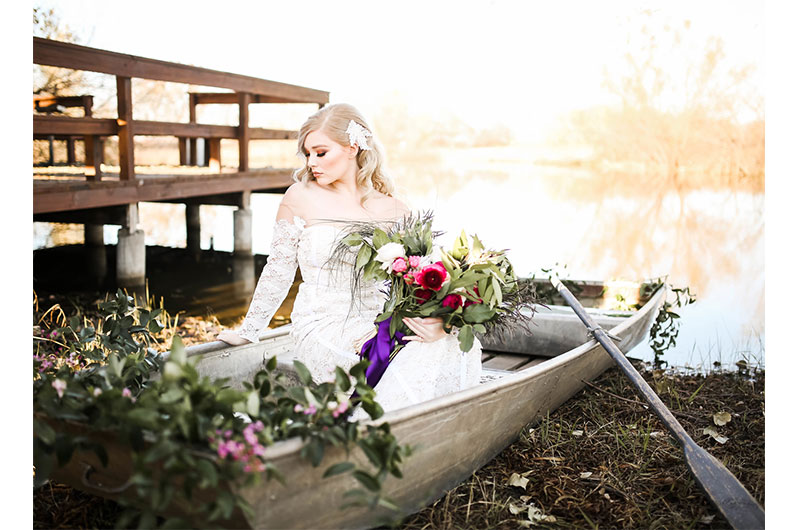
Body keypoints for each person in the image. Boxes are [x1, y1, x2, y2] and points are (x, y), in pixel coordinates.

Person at [217, 103, 482, 415]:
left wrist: (437, 322)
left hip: (379, 318)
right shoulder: (299, 197)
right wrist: (249, 330)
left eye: (321, 152)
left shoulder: (394, 208)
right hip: (322, 324)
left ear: (353, 147)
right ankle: (379, 432)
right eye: (308, 154)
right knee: (407, 355)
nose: (312, 162)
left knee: (449, 343)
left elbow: (417, 281)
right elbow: (278, 269)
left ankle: (427, 431)